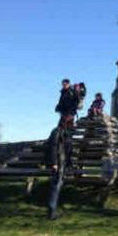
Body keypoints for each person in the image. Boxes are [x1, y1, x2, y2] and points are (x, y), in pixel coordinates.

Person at [46, 78, 79, 220]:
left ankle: (52, 210)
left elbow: (69, 148)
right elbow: (52, 146)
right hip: (57, 163)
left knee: (57, 185)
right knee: (56, 185)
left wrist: (70, 163)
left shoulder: (66, 135)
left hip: (62, 162)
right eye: (70, 122)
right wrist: (53, 163)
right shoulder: (57, 132)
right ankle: (51, 211)